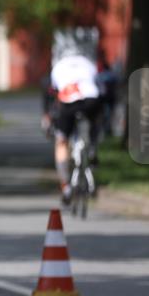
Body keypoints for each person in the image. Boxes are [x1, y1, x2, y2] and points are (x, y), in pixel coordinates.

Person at [42, 51, 101, 204]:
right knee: (94, 121)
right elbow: (100, 85)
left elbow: (50, 92)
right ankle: (93, 148)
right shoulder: (89, 64)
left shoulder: (58, 67)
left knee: (61, 142)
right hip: (90, 100)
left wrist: (47, 116)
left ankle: (66, 186)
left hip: (68, 102)